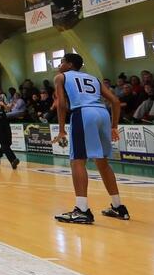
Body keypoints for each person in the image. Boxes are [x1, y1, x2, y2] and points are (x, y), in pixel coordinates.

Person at [52, 53, 129, 224]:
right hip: (102, 113)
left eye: (62, 62)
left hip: (83, 113)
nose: (59, 65)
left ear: (70, 64)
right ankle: (118, 207)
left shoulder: (61, 77)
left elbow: (62, 104)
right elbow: (115, 101)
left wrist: (62, 128)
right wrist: (114, 126)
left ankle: (82, 210)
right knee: (102, 162)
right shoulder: (93, 78)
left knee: (77, 160)